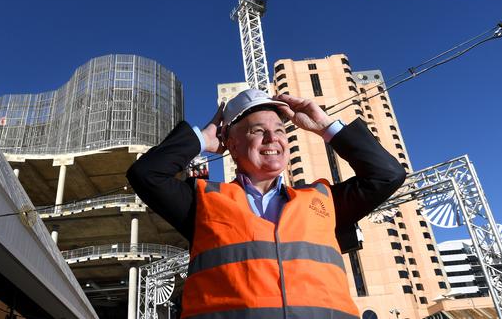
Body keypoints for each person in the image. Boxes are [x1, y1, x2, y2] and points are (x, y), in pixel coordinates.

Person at [127, 89, 406, 319]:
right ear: (232, 146)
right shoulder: (202, 202)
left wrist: (326, 127)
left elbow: (387, 175)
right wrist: (202, 138)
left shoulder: (322, 200)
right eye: (257, 131)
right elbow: (146, 174)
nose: (273, 139)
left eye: (280, 131)